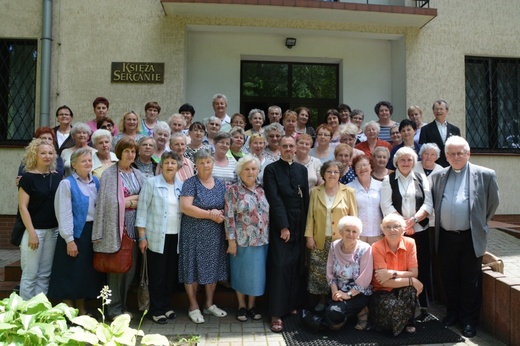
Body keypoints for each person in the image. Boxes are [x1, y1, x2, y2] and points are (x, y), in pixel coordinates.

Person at [430, 136, 499, 338]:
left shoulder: (486, 174)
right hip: (446, 237)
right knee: (449, 278)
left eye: (460, 153)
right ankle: (452, 314)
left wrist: (479, 223)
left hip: (471, 237)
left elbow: (492, 204)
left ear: (468, 154)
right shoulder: (438, 176)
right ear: (446, 156)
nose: (456, 156)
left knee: (470, 281)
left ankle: (468, 320)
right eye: (451, 153)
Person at [92, 137, 145, 320]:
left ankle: (123, 307)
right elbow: (108, 202)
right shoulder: (109, 174)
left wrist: (129, 201)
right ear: (119, 153)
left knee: (130, 269)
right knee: (115, 270)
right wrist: (132, 200)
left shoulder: (138, 174)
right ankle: (114, 310)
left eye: (133, 152)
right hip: (116, 228)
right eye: (127, 151)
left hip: (135, 228)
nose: (130, 155)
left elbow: (146, 199)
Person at [48, 148, 103, 315]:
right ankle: (70, 311)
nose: (88, 163)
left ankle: (82, 308)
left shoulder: (96, 182)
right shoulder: (67, 184)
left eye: (89, 161)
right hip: (74, 233)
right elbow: (63, 212)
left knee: (84, 273)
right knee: (70, 273)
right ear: (73, 164)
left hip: (91, 233)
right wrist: (69, 239)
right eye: (83, 161)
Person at [263, 136, 309, 333]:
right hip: (281, 222)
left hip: (300, 221)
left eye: (292, 146)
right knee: (280, 265)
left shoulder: (302, 169)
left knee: (296, 263)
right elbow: (274, 199)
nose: (289, 149)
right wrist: (283, 226)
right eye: (285, 146)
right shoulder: (271, 170)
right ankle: (275, 313)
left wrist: (307, 227)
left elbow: (305, 198)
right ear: (279, 148)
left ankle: (291, 305)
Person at [380, 147, 433, 315]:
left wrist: (413, 221)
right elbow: (386, 205)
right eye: (402, 160)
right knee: (400, 267)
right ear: (396, 162)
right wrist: (403, 224)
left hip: (419, 230)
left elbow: (428, 204)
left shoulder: (421, 177)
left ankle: (421, 305)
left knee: (421, 266)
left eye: (409, 160)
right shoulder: (388, 180)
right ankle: (400, 305)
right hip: (397, 233)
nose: (406, 163)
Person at [179, 149, 228, 324]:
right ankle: (193, 306)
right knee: (192, 267)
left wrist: (220, 212)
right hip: (193, 233)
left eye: (208, 161)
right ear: (195, 165)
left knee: (212, 267)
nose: (206, 165)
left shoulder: (221, 184)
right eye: (202, 162)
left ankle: (209, 304)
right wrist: (210, 215)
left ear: (213, 163)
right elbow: (186, 207)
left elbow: (227, 206)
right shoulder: (190, 183)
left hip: (215, 234)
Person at [135, 151, 183, 324]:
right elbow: (141, 210)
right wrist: (142, 236)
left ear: (178, 166)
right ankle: (156, 309)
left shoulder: (181, 185)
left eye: (173, 162)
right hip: (156, 237)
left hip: (175, 237)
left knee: (170, 274)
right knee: (157, 275)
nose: (170, 165)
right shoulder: (151, 183)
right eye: (167, 162)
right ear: (161, 165)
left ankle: (166, 305)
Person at [305, 160, 357, 313]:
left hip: (341, 241)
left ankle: (337, 301)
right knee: (320, 273)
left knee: (339, 271)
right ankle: (322, 300)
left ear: (340, 174)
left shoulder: (348, 192)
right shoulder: (315, 191)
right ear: (323, 174)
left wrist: (353, 238)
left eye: (336, 171)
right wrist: (309, 236)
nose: (332, 174)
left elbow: (353, 217)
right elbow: (310, 216)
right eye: (329, 171)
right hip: (320, 239)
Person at [225, 155, 270, 322]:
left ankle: (252, 305)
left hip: (261, 240)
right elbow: (229, 217)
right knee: (240, 274)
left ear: (258, 171)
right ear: (240, 171)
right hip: (241, 240)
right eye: (247, 169)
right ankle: (241, 306)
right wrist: (231, 241)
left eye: (253, 169)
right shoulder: (233, 190)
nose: (251, 172)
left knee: (257, 275)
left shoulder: (262, 189)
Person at [18, 138, 61, 300]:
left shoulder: (57, 177)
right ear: (35, 155)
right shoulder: (27, 178)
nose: (47, 156)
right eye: (43, 153)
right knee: (30, 275)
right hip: (34, 231)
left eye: (50, 153)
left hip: (53, 231)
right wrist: (32, 233)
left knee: (45, 275)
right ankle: (25, 312)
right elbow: (23, 207)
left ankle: (39, 310)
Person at [370, 214, 424, 336]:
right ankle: (405, 318)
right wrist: (411, 280)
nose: (392, 230)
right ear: (382, 230)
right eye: (387, 227)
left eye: (396, 226)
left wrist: (391, 273)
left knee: (409, 290)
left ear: (403, 229)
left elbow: (414, 273)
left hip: (402, 289)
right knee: (392, 309)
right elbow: (383, 282)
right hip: (382, 291)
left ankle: (408, 321)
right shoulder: (376, 247)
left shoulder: (410, 243)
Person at [323, 216, 373, 331]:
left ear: (358, 234)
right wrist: (335, 292)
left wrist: (348, 295)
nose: (351, 234)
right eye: (347, 230)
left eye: (354, 231)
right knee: (332, 322)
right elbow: (330, 272)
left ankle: (362, 310)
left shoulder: (365, 249)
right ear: (341, 231)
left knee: (333, 313)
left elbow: (365, 280)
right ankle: (354, 313)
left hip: (359, 292)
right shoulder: (334, 246)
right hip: (339, 290)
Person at [347, 155, 383, 244]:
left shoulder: (381, 186)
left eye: (365, 165)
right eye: (358, 166)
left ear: (371, 167)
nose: (362, 168)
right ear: (355, 170)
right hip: (357, 235)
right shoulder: (348, 188)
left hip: (378, 233)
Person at [418, 100, 461, 167]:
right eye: (436, 109)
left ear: (446, 111)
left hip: (451, 165)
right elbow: (423, 150)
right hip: (433, 165)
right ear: (433, 111)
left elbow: (458, 148)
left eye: (441, 109)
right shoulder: (425, 129)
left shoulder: (455, 130)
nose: (438, 111)